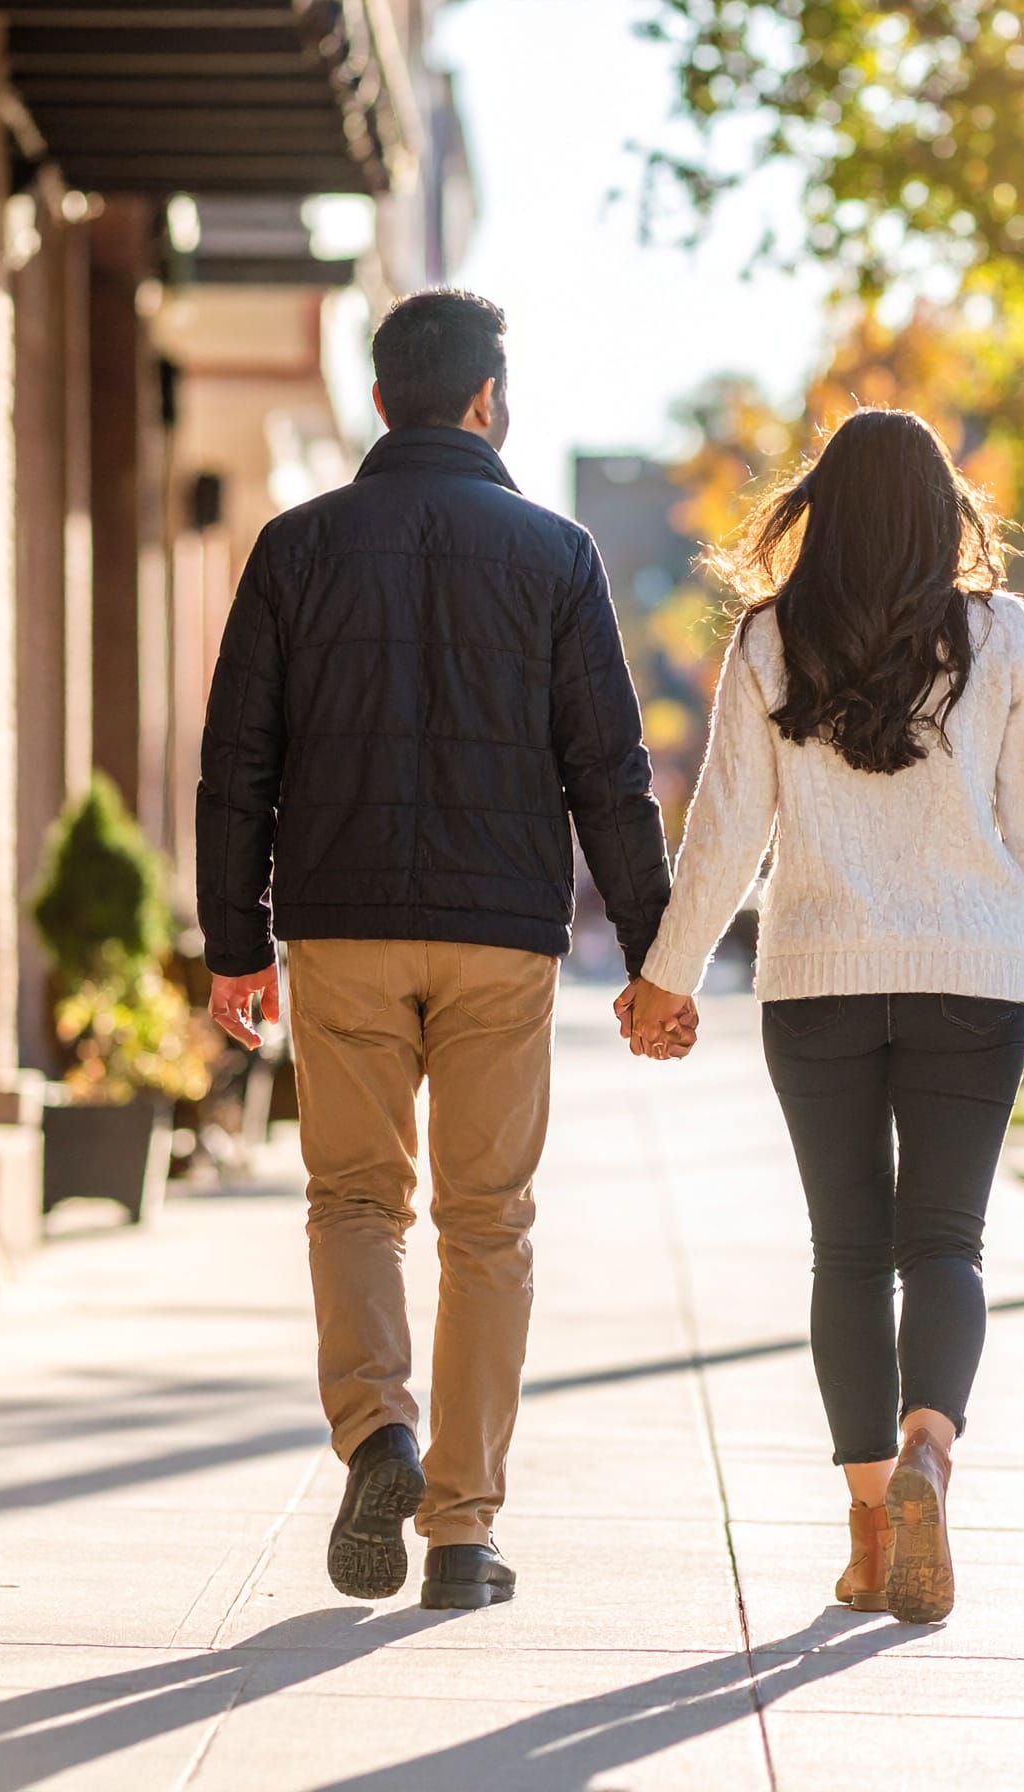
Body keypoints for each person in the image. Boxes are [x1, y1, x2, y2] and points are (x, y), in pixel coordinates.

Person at [198, 290, 684, 1612]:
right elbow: (611, 773)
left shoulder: (296, 550)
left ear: (377, 404)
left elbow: (236, 761)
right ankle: (461, 1535)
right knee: (489, 1225)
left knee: (354, 1201)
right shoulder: (556, 554)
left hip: (341, 926)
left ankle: (379, 1439)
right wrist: (658, 954)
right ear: (486, 400)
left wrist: (233, 942)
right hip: (499, 938)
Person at [623, 408, 1024, 1624]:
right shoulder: (1003, 634)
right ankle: (932, 1448)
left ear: (821, 510)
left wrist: (665, 976)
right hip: (970, 976)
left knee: (847, 1251)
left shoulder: (772, 640)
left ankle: (874, 1533)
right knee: (947, 1243)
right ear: (943, 513)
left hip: (818, 978)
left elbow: (724, 830)